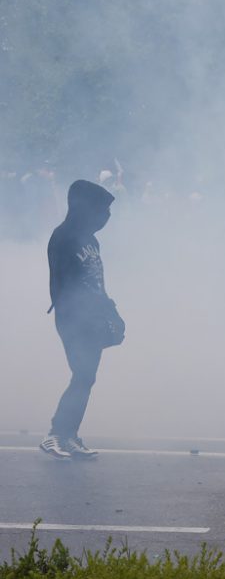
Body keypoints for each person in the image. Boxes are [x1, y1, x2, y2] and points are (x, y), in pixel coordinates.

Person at [40, 180, 124, 460]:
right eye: (102, 210)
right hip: (73, 319)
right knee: (83, 375)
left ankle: (69, 435)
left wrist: (111, 312)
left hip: (93, 317)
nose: (106, 217)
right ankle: (55, 434)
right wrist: (80, 317)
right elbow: (62, 285)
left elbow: (97, 283)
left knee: (87, 378)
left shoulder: (91, 240)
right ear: (84, 209)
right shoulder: (62, 237)